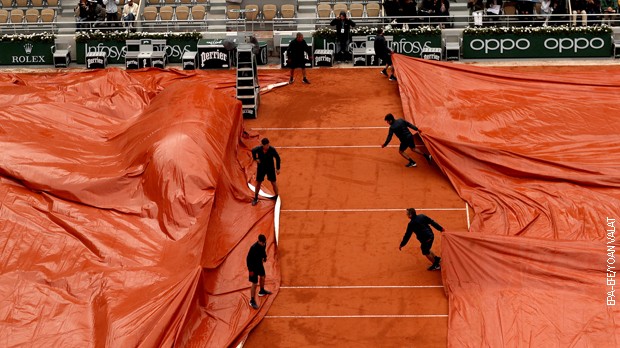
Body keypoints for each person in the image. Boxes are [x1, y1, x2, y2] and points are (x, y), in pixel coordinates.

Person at [251, 138, 281, 206]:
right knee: (258, 183)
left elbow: (277, 157)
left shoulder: (272, 149)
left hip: (270, 168)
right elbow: (253, 151)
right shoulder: (258, 149)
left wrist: (278, 168)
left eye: (268, 145)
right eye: (266, 145)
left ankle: (276, 197)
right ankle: (256, 198)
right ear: (262, 145)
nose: (267, 146)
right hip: (261, 168)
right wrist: (256, 159)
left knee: (273, 182)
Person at [247, 234, 272, 309]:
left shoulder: (263, 243)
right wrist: (250, 270)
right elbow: (248, 260)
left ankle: (261, 291)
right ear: (259, 241)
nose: (264, 244)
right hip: (253, 267)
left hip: (259, 265)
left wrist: (264, 257)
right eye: (262, 243)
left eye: (264, 242)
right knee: (254, 283)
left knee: (263, 276)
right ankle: (252, 300)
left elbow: (263, 251)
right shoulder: (253, 248)